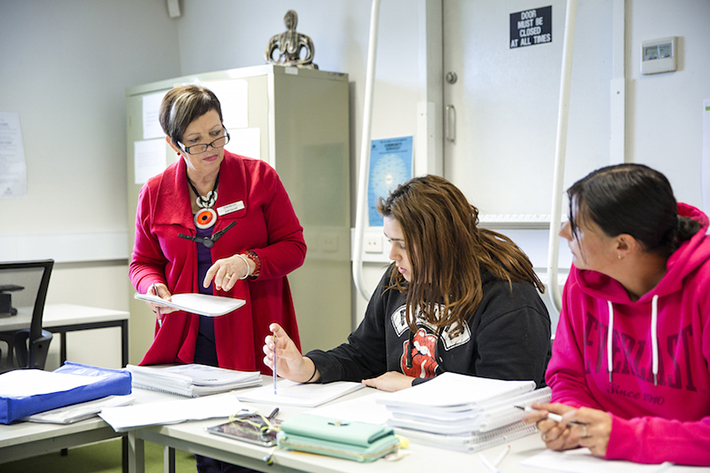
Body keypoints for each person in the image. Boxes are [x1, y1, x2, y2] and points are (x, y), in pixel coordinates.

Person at [130, 85, 306, 472]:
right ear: (174, 144)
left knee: (259, 447)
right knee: (209, 450)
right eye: (195, 141)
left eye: (217, 134)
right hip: (191, 341)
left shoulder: (259, 178)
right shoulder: (155, 193)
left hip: (254, 331)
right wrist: (151, 286)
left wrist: (249, 263)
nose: (211, 148)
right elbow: (143, 262)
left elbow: (294, 246)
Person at [263, 175, 551, 392]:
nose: (392, 255)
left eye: (401, 244)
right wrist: (309, 368)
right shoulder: (399, 278)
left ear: (439, 243)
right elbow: (364, 354)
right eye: (391, 242)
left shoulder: (510, 299)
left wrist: (410, 387)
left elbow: (504, 396)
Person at [523, 163, 710, 466]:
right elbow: (568, 376)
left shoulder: (705, 286)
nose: (563, 232)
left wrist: (629, 438)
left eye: (578, 227)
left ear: (623, 245)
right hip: (602, 461)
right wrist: (573, 420)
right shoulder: (585, 278)